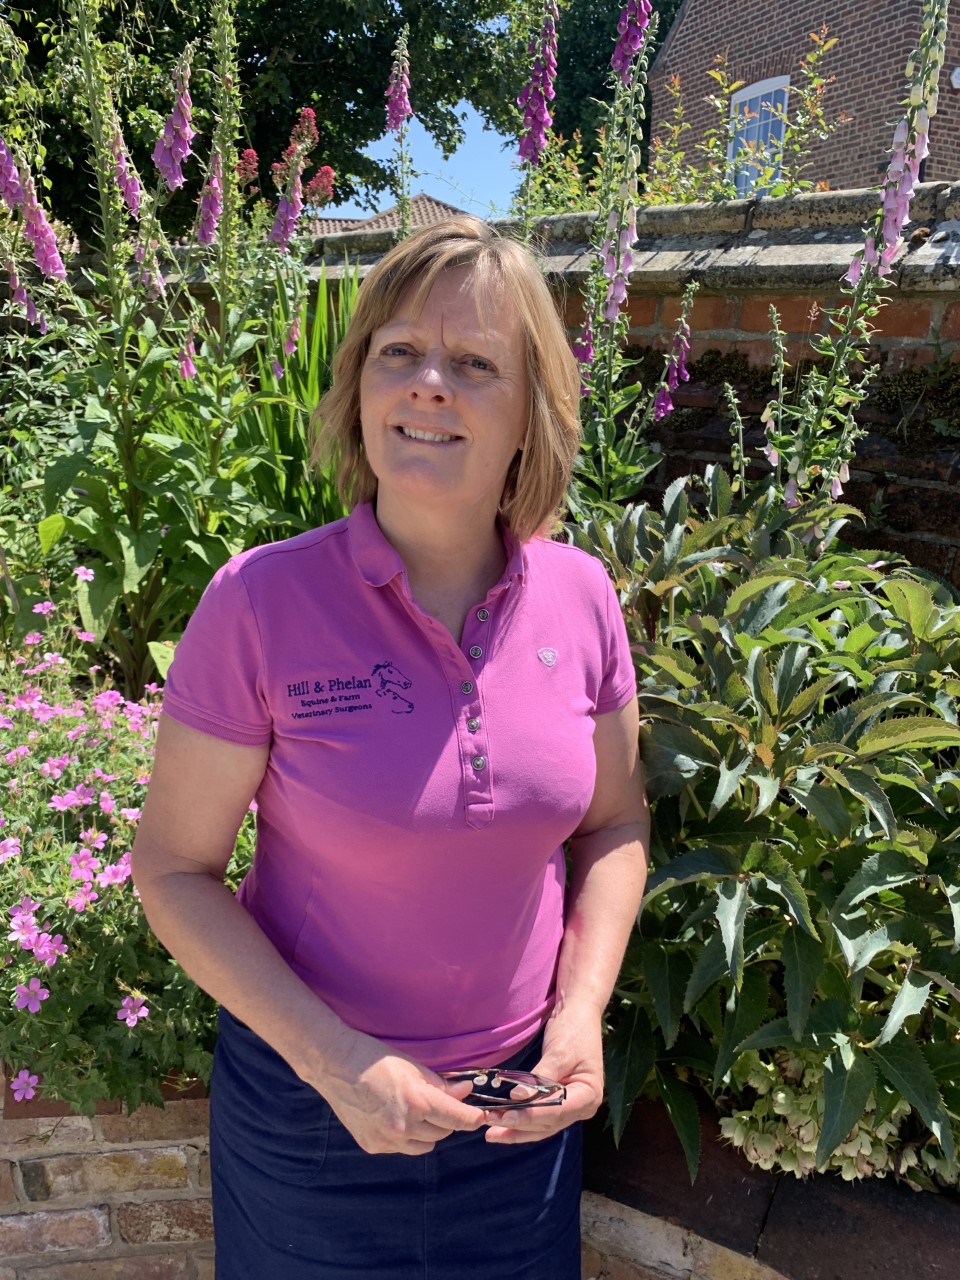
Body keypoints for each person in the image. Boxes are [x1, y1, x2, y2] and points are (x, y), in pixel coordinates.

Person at [132, 216, 649, 1280]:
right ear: (359, 386)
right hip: (311, 1118)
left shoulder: (583, 598)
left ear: (529, 417)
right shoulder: (260, 601)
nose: (429, 384)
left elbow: (613, 820)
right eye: (399, 352)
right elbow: (174, 870)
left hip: (519, 1121)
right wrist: (339, 1064)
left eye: (473, 363)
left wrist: (582, 1017)